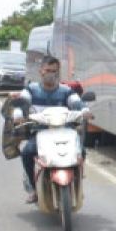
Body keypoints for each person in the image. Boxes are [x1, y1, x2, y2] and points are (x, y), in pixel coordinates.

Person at [12, 56, 85, 204]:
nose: (51, 74)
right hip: (40, 132)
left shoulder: (66, 91)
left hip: (64, 131)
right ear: (41, 71)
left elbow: (77, 102)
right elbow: (23, 102)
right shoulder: (31, 89)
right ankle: (33, 189)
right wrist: (19, 114)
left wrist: (85, 110)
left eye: (54, 71)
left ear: (58, 72)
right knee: (27, 152)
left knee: (81, 152)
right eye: (48, 70)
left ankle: (77, 184)